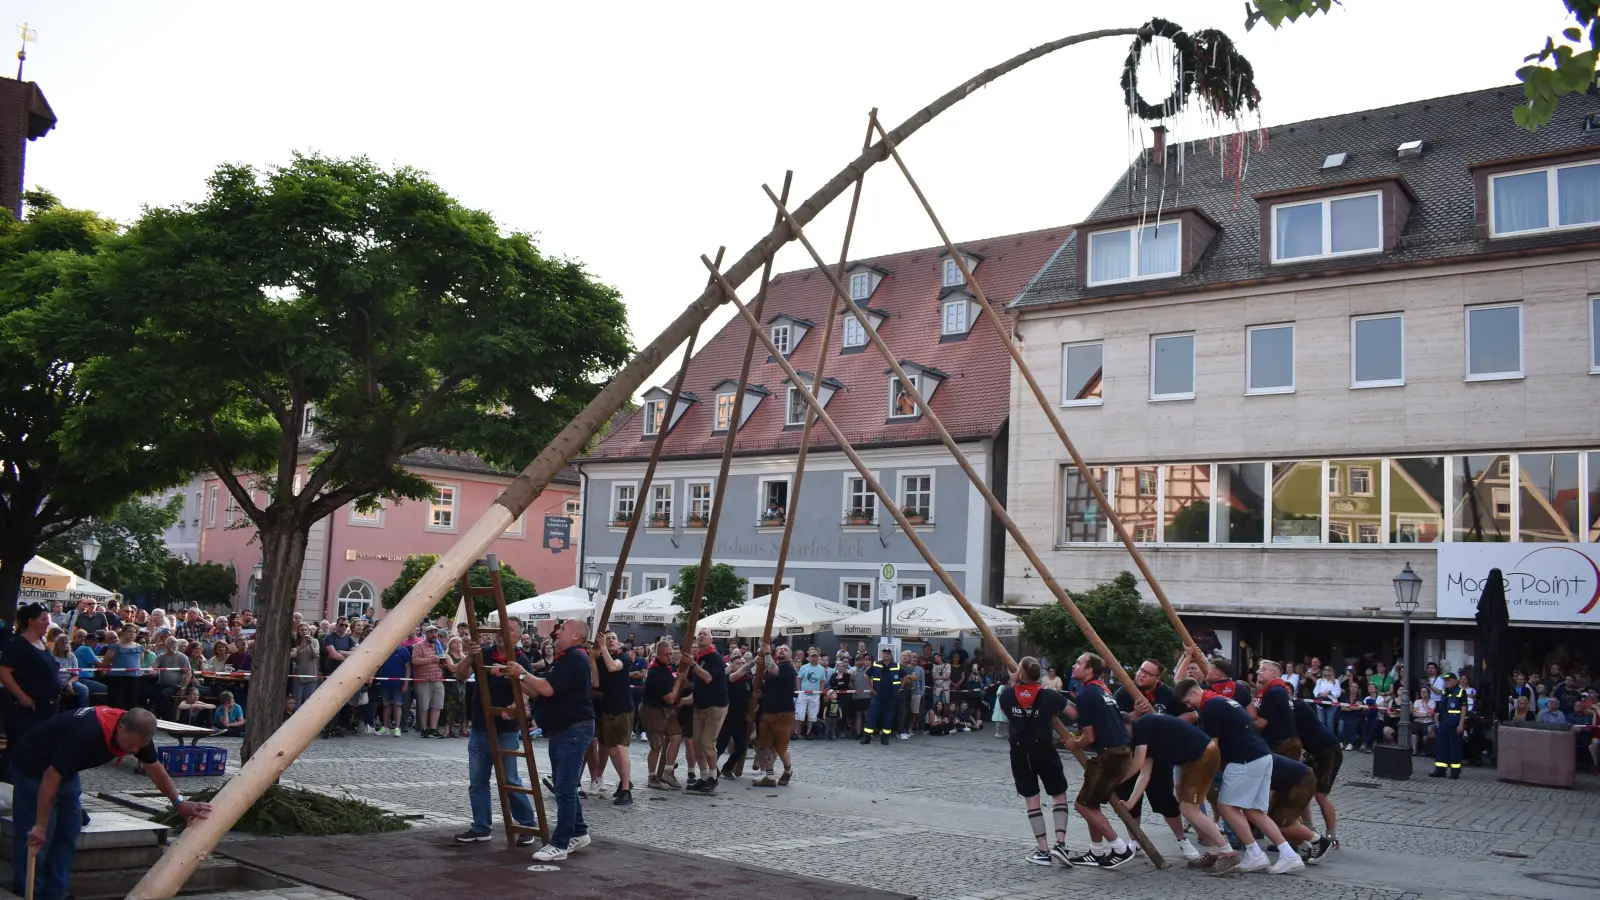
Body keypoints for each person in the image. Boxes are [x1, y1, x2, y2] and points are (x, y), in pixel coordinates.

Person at [12, 707, 210, 900]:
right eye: (130, 745)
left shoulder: (139, 733)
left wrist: (180, 804)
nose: (133, 751)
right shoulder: (87, 733)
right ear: (121, 728)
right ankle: (29, 892)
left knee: (68, 829)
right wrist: (40, 824)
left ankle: (57, 893)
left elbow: (155, 768)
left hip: (65, 772)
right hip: (34, 768)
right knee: (39, 835)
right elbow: (50, 776)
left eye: (138, 748)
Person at [1176, 678, 1299, 875]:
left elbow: (1211, 747)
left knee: (1226, 806)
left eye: (1188, 701)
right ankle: (1289, 855)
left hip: (1244, 760)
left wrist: (1204, 775)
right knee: (1254, 811)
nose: (1189, 706)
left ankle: (1254, 854)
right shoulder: (1221, 700)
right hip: (1262, 755)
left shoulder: (1210, 707)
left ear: (1194, 693)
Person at [452, 618, 539, 845]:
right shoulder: (484, 653)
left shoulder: (521, 660)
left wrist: (516, 705)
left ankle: (527, 825)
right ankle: (481, 827)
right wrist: (470, 656)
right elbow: (459, 675)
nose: (502, 633)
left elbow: (528, 691)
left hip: (506, 729)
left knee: (510, 780)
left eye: (509, 630)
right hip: (481, 726)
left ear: (518, 636)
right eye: (500, 628)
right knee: (477, 780)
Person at [516, 618, 594, 862]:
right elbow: (540, 690)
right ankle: (579, 832)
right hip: (564, 729)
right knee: (564, 786)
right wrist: (517, 677)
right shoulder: (566, 658)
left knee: (565, 789)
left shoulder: (574, 658)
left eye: (564, 629)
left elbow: (547, 689)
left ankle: (559, 844)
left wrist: (521, 674)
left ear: (575, 636)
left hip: (574, 729)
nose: (558, 632)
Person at [1123, 712, 1230, 866]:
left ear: (1126, 725)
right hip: (1195, 758)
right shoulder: (1144, 735)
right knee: (1189, 809)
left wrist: (1117, 780)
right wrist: (1130, 803)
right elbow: (1144, 774)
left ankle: (1228, 852)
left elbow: (1138, 764)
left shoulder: (1141, 726)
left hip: (1202, 755)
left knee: (1189, 810)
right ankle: (1217, 851)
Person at [1060, 653, 1136, 869]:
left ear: (1089, 670)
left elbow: (1089, 737)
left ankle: (1120, 849)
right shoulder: (1103, 689)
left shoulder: (1086, 695)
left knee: (1082, 805)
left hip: (1110, 755)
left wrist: (1075, 743)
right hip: (1120, 751)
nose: (1074, 666)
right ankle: (1096, 851)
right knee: (1091, 803)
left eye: (1079, 663)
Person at [993, 657, 1070, 867]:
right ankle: (1061, 844)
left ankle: (1043, 849)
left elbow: (1009, 706)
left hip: (1020, 752)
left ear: (1020, 674)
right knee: (1058, 793)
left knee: (1032, 799)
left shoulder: (1007, 695)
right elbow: (1074, 712)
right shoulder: (1050, 696)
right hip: (1044, 748)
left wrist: (1013, 682)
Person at [1, 604, 64, 775]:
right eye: (43, 619)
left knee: (39, 747)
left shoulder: (42, 643)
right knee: (19, 746)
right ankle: (8, 782)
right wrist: (22, 696)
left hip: (47, 706)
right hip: (27, 708)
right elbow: (4, 671)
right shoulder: (19, 644)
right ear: (31, 621)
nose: (47, 623)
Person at [589, 631, 634, 806]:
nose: (611, 641)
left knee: (621, 749)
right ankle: (625, 782)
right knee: (612, 750)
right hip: (607, 710)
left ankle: (626, 790)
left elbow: (613, 667)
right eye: (607, 640)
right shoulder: (602, 659)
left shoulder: (623, 657)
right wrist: (592, 658)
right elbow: (596, 683)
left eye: (614, 638)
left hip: (622, 710)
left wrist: (602, 648)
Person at [1291, 697, 1341, 856]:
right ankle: (1309, 830)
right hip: (1313, 751)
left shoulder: (1296, 706)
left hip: (1328, 750)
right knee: (1302, 789)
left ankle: (1332, 837)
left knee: (1320, 795)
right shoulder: (1290, 706)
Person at [682, 628, 729, 793]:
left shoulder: (714, 657)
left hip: (715, 706)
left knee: (707, 743)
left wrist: (692, 665)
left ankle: (713, 777)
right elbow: (695, 684)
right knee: (696, 745)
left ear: (711, 639)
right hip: (700, 706)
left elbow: (708, 678)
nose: (701, 636)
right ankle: (703, 777)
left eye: (705, 634)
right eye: (699, 634)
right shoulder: (698, 657)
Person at [753, 644, 798, 787]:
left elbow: (774, 670)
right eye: (779, 649)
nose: (781, 650)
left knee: (780, 747)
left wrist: (767, 653)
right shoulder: (770, 668)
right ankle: (769, 776)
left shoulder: (788, 668)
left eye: (785, 649)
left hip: (783, 713)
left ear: (791, 656)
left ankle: (788, 769)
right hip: (767, 711)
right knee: (764, 745)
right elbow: (770, 686)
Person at [642, 641, 684, 789]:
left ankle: (668, 771)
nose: (669, 657)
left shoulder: (665, 667)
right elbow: (670, 698)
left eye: (670, 653)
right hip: (652, 710)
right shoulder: (656, 672)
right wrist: (679, 680)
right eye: (666, 654)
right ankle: (652, 776)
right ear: (658, 655)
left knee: (677, 736)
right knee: (656, 745)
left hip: (666, 710)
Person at [1263, 753, 1316, 870]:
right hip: (1293, 782)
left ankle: (1319, 841)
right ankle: (1305, 847)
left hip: (1301, 781)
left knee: (1281, 823)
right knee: (1276, 821)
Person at [1252, 659, 1301, 760]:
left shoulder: (1274, 691)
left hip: (1281, 745)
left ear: (1274, 674)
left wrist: (1239, 719)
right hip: (1284, 742)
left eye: (1262, 669)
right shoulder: (1279, 689)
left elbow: (1260, 723)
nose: (1258, 672)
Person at [411, 626, 447, 738]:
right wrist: (431, 659)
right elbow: (415, 661)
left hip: (437, 678)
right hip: (424, 680)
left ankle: (433, 728)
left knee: (437, 705)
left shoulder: (439, 646)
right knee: (424, 705)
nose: (434, 634)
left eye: (436, 632)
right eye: (431, 632)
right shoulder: (419, 646)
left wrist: (443, 662)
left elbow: (443, 661)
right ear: (426, 634)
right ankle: (424, 729)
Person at [861, 647, 900, 745]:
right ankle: (867, 737)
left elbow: (906, 677)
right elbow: (866, 676)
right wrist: (870, 688)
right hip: (877, 696)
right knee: (872, 716)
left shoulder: (896, 666)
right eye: (884, 653)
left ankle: (885, 737)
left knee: (888, 717)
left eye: (887, 653)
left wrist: (900, 687)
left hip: (891, 696)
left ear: (891, 655)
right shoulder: (876, 665)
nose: (885, 655)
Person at [1432, 672, 1467, 778]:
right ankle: (1440, 769)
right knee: (1441, 746)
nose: (1446, 682)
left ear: (1455, 681)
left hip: (1454, 723)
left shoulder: (1461, 692)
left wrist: (1461, 724)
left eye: (1448, 680)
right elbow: (1441, 708)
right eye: (1445, 681)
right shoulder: (1444, 692)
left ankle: (1455, 771)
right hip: (1444, 722)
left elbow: (1464, 709)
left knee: (1454, 747)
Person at [376, 640, 411, 737]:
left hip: (398, 683)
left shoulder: (404, 651)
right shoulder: (385, 650)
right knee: (386, 705)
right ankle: (385, 727)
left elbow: (408, 668)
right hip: (385, 682)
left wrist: (406, 683)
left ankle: (396, 728)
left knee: (397, 705)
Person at [796, 649, 827, 739]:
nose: (813, 658)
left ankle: (808, 732)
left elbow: (822, 681)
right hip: (803, 693)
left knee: (812, 715)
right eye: (812, 656)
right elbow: (798, 679)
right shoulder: (804, 667)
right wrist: (799, 690)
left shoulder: (821, 669)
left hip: (814, 695)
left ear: (818, 657)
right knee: (799, 714)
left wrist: (820, 692)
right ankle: (797, 733)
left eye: (815, 656)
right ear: (809, 657)